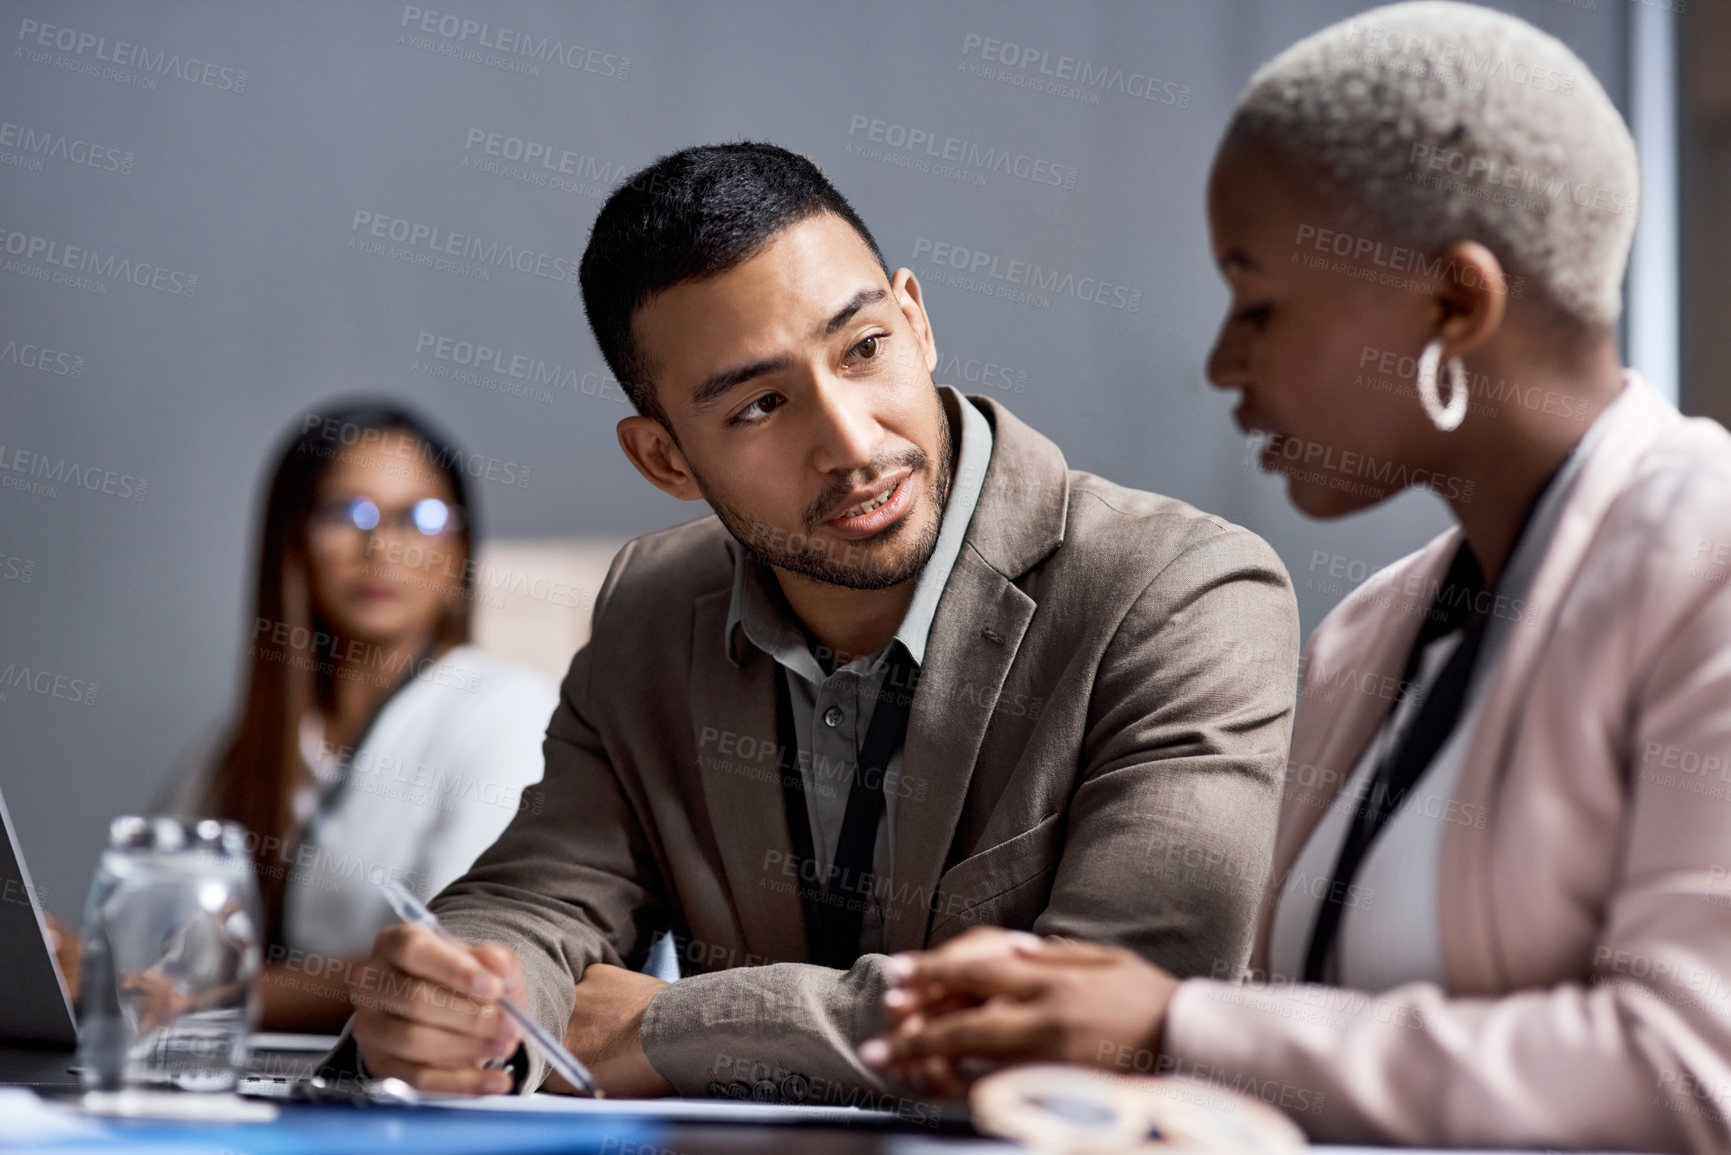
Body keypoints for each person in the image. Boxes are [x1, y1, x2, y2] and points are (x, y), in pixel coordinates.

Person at [863, 3, 1731, 1150]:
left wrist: (1175, 1027)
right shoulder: (1373, 631)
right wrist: (1059, 1032)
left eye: (1258, 302)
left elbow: (1690, 1074)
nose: (1224, 363)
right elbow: (1321, 1061)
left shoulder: (1707, 556)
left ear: (1455, 303)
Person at [335, 142, 1301, 1105]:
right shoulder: (652, 606)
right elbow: (536, 896)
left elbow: (1117, 1025)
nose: (851, 442)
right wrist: (465, 1002)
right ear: (664, 459)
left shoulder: (1182, 592)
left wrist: (665, 1025)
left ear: (915, 320)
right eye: (760, 405)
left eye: (863, 349)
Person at [139, 402, 556, 1031]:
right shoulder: (234, 753)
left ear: (460, 549)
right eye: (345, 513)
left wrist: (196, 997)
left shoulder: (509, 710)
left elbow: (453, 959)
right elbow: (154, 939)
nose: (382, 545)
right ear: (292, 543)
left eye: (422, 517)